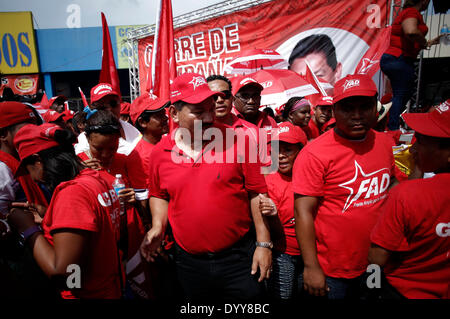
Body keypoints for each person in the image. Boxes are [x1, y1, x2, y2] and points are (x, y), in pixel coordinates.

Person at [140, 73, 272, 302]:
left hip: (240, 260)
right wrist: (158, 227)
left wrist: (264, 244)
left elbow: (256, 194)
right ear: (173, 113)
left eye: (210, 109)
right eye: (198, 112)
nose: (209, 117)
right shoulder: (160, 153)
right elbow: (159, 195)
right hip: (189, 265)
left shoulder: (240, 141)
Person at [292, 74, 397, 299]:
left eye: (365, 107)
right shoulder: (314, 153)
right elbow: (303, 212)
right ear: (334, 111)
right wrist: (311, 267)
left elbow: (393, 188)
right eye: (348, 109)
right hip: (332, 272)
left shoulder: (386, 142)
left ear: (375, 108)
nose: (357, 116)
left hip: (374, 265)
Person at [7, 123, 123, 299]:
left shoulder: (72, 193)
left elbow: (63, 273)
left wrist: (27, 228)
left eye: (28, 169)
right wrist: (50, 217)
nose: (30, 177)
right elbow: (92, 232)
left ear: (38, 161)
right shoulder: (94, 179)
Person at [368, 103, 450, 299]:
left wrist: (372, 289)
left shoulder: (405, 195)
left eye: (420, 142)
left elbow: (376, 259)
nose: (413, 149)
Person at [260, 121, 307, 300]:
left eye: (288, 150)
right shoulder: (267, 179)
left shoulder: (312, 176)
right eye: (276, 149)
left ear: (301, 151)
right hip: (282, 254)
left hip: (311, 253)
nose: (280, 156)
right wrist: (272, 216)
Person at [380, 0, 442, 131]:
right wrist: (424, 41)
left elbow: (411, 39)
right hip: (398, 58)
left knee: (403, 94)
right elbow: (411, 31)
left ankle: (390, 124)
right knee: (401, 95)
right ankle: (393, 128)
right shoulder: (411, 12)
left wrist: (430, 43)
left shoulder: (406, 13)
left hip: (396, 58)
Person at [74, 83, 141, 156]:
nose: (110, 109)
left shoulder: (130, 129)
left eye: (113, 103)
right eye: (103, 106)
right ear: (94, 108)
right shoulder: (85, 138)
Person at [130, 93, 170, 191]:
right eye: (159, 115)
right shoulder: (140, 157)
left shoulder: (168, 143)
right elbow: (147, 197)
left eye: (164, 113)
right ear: (142, 122)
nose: (166, 118)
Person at [206, 74, 259, 141]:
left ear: (232, 98)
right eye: (214, 96)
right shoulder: (196, 133)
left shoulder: (252, 132)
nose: (220, 100)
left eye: (225, 94)